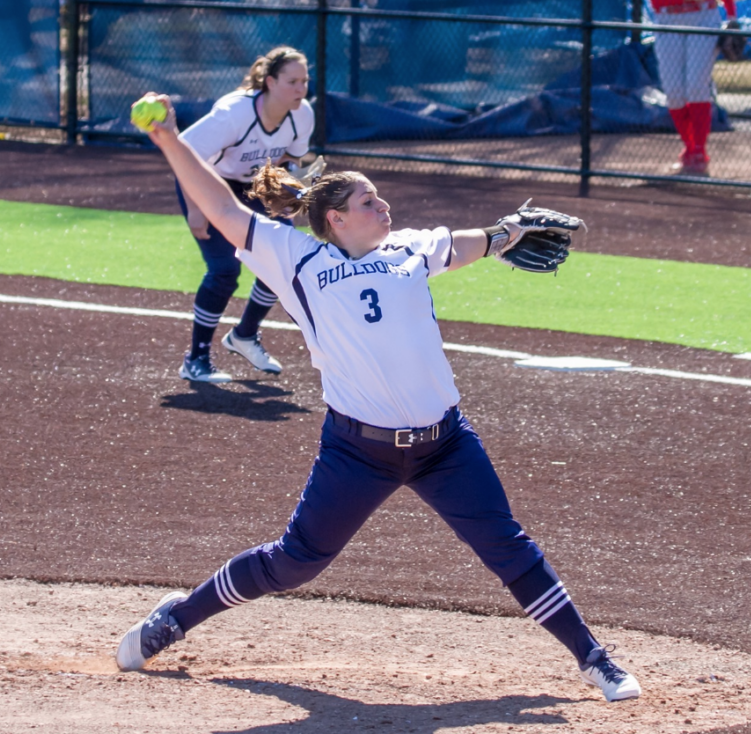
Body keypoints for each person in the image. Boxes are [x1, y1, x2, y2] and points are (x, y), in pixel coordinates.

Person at [115, 92, 642, 704]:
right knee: (296, 562)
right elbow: (219, 205)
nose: (383, 204)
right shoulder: (297, 258)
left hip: (445, 444)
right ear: (336, 218)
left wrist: (505, 234)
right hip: (357, 453)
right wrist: (170, 141)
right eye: (369, 200)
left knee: (507, 547)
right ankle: (177, 618)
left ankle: (594, 660)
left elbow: (469, 243)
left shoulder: (409, 248)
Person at [176, 46, 317, 383]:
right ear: (269, 81)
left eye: (305, 81)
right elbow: (184, 153)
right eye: (292, 81)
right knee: (225, 270)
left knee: (282, 260)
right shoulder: (234, 112)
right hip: (209, 185)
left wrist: (291, 194)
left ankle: (244, 334)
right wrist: (197, 209)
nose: (300, 89)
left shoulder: (303, 114)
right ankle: (195, 360)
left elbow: (290, 161)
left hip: (257, 187)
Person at [650, 0, 737, 176]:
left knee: (697, 86)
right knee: (673, 92)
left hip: (702, 16)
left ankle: (698, 150)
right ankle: (689, 147)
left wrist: (732, 15)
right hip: (667, 17)